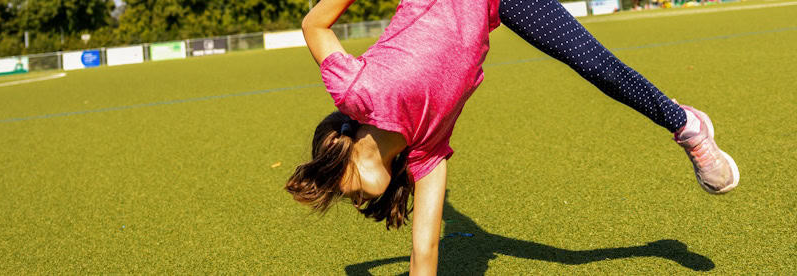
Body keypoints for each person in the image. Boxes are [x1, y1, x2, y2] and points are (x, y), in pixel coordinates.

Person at [285, 0, 738, 274]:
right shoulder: (427, 156)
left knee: (596, 65)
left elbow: (314, 25)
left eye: (342, 194)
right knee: (593, 64)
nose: (356, 203)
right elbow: (423, 253)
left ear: (334, 157)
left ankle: (682, 126)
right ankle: (689, 124)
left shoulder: (355, 91)